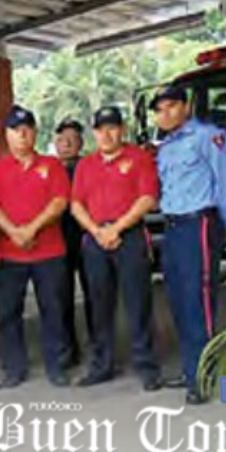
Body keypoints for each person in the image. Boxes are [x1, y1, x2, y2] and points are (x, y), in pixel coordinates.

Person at [152, 85, 226, 405]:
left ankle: (203, 376)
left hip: (199, 223)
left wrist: (221, 224)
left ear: (186, 107)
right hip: (174, 227)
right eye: (159, 110)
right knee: (178, 300)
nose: (164, 114)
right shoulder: (166, 147)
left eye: (171, 106)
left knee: (198, 301)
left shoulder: (208, 137)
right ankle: (191, 369)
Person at [70, 106, 162, 391]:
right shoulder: (86, 165)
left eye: (112, 128)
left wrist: (117, 228)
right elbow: (76, 204)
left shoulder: (139, 157)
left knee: (138, 303)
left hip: (130, 236)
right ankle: (102, 365)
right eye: (101, 129)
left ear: (122, 129)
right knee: (99, 305)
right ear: (94, 133)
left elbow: (147, 198)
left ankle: (146, 366)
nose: (106, 134)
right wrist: (97, 231)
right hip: (95, 238)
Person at [0, 105, 71, 388]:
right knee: (8, 313)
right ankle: (14, 368)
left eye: (27, 130)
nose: (22, 135)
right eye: (16, 131)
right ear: (6, 135)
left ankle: (57, 366)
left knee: (54, 310)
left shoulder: (52, 165)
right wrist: (14, 233)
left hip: (49, 251)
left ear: (35, 133)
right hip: (9, 253)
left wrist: (31, 229)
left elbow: (59, 201)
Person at [54, 118, 93, 368]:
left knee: (95, 297)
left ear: (81, 143)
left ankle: (100, 350)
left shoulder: (89, 167)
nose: (66, 144)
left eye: (72, 139)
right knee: (62, 298)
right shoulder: (49, 169)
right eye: (62, 140)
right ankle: (69, 351)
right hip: (58, 241)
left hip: (88, 237)